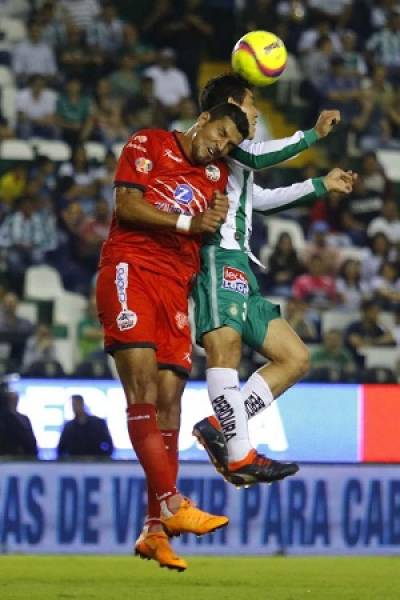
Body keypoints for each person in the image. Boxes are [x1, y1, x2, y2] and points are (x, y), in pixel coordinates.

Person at [96, 102, 249, 571]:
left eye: (229, 145)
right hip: (132, 270)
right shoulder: (149, 143)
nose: (220, 147)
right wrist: (189, 222)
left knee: (170, 401)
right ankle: (169, 501)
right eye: (220, 133)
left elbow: (208, 230)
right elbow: (126, 204)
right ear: (202, 120)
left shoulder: (217, 179)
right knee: (141, 388)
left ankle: (154, 531)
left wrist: (213, 221)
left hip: (175, 286)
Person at [190, 74, 356, 487]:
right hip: (217, 254)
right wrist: (312, 135)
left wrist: (319, 185)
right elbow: (261, 158)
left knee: (296, 358)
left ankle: (220, 426)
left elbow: (257, 198)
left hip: (243, 265)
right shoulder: (221, 143)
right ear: (229, 107)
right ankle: (240, 451)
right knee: (224, 351)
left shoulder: (236, 159)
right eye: (251, 104)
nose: (258, 111)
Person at [57, 394, 113, 459]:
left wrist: (103, 458)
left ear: (82, 404)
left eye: (77, 404)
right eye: (73, 405)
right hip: (74, 464)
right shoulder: (68, 427)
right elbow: (60, 449)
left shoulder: (98, 424)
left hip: (96, 463)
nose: (75, 407)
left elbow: (109, 445)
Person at [0, 383, 37, 457]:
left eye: (15, 399)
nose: (14, 401)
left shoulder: (24, 419)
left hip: (22, 457)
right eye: (11, 399)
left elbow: (30, 440)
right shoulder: (3, 419)